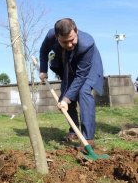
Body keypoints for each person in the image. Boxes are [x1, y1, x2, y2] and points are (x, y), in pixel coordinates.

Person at [39, 18, 103, 150]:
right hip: (68, 66)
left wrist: (67, 100)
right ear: (57, 37)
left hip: (88, 68)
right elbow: (43, 51)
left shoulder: (87, 44)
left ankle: (88, 139)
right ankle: (74, 131)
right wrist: (43, 70)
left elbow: (81, 76)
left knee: (82, 91)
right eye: (65, 42)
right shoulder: (50, 36)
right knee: (65, 95)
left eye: (72, 40)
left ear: (76, 31)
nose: (69, 45)